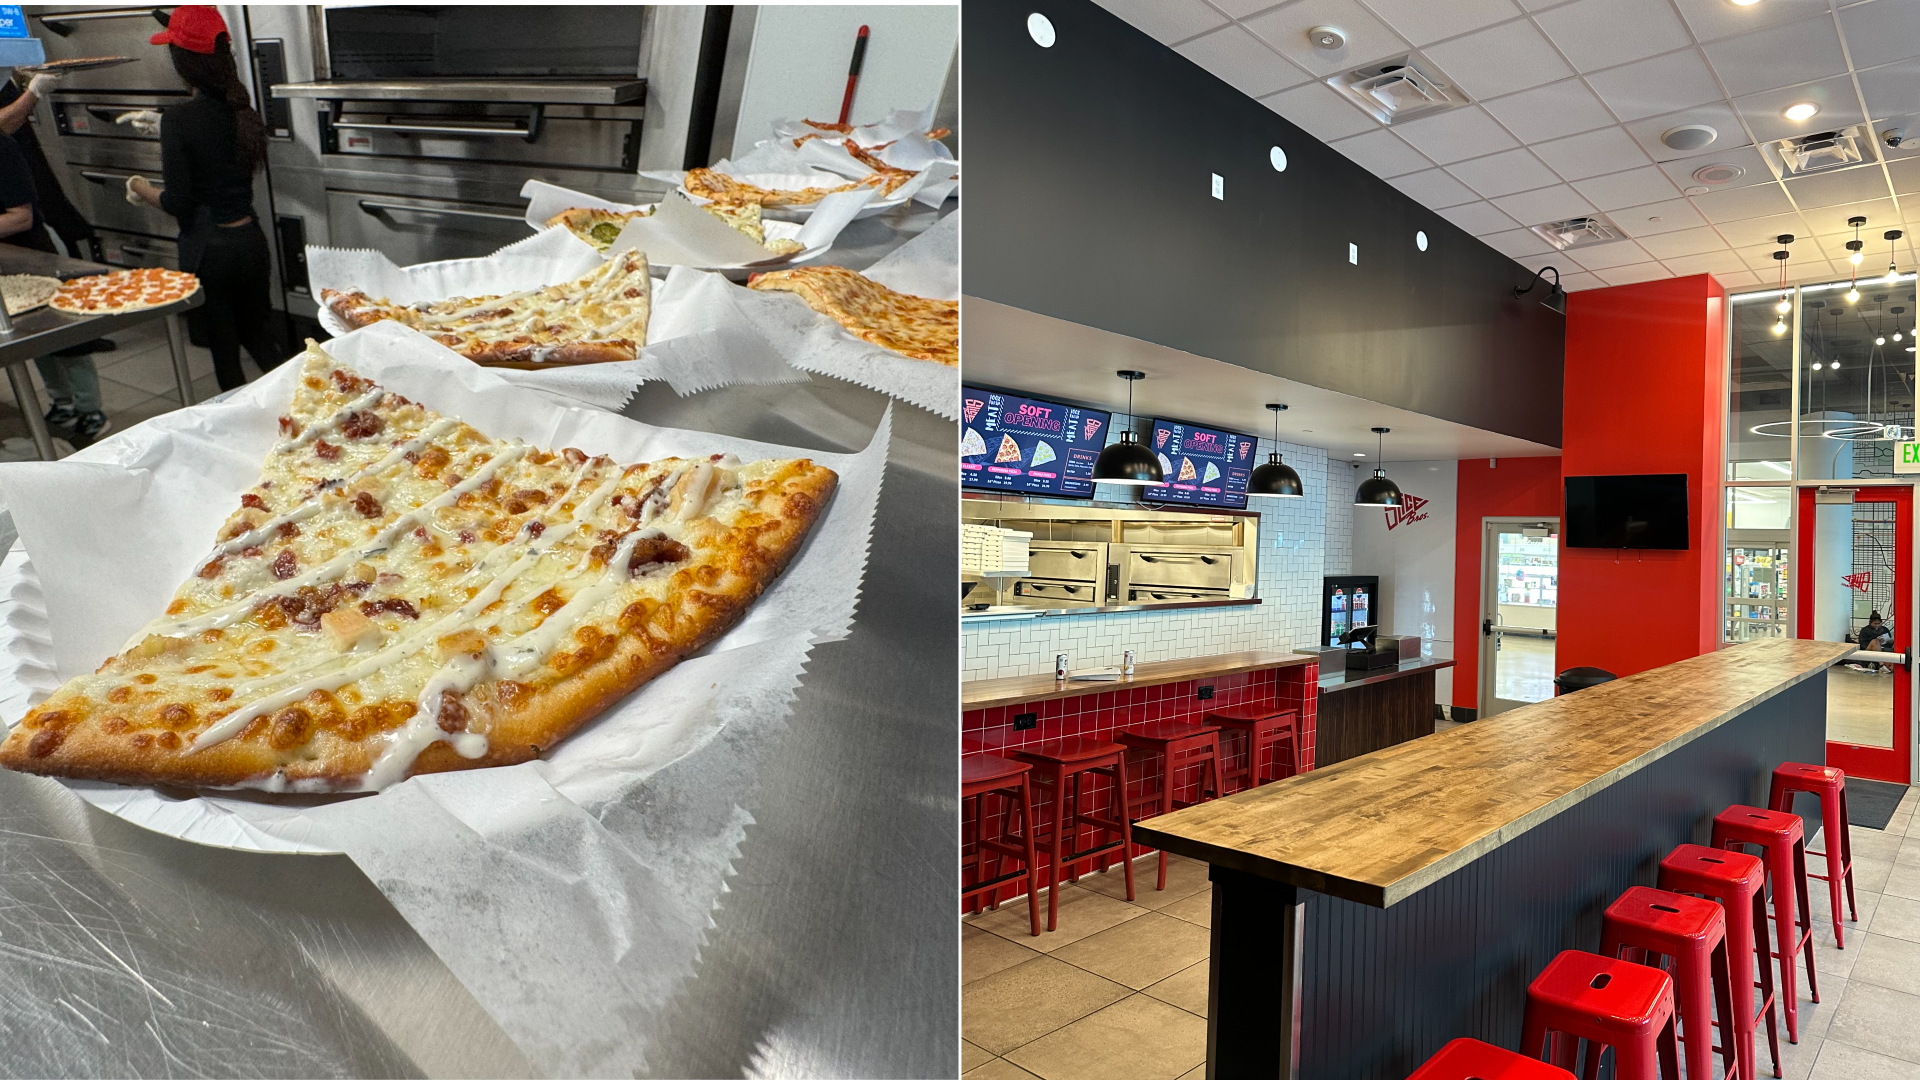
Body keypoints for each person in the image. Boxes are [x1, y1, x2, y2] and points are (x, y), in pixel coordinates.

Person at [126, 5, 282, 391]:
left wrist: (139, 188)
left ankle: (235, 427)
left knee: (224, 349)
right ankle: (304, 413)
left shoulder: (180, 119)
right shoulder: (242, 109)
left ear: (182, 62)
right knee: (261, 338)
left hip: (210, 252)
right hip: (250, 242)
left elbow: (178, 202)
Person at [0, 130, 108, 440]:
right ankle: (61, 402)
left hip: (38, 255)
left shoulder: (3, 148)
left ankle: (91, 410)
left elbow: (21, 217)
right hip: (8, 263)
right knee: (31, 338)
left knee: (67, 341)